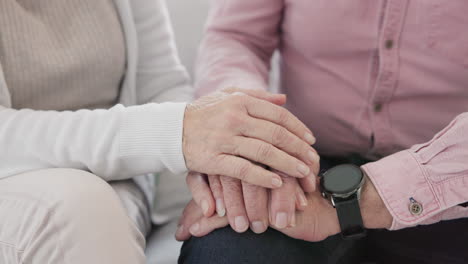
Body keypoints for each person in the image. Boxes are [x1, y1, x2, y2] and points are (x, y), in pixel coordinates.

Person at [0, 0, 317, 263]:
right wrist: (177, 134)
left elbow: (162, 86)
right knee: (78, 207)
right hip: (31, 190)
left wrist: (203, 196)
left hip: (117, 197)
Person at [177, 1, 468, 263]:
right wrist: (250, 133)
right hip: (303, 171)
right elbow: (237, 38)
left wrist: (360, 201)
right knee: (227, 254)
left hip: (450, 181)